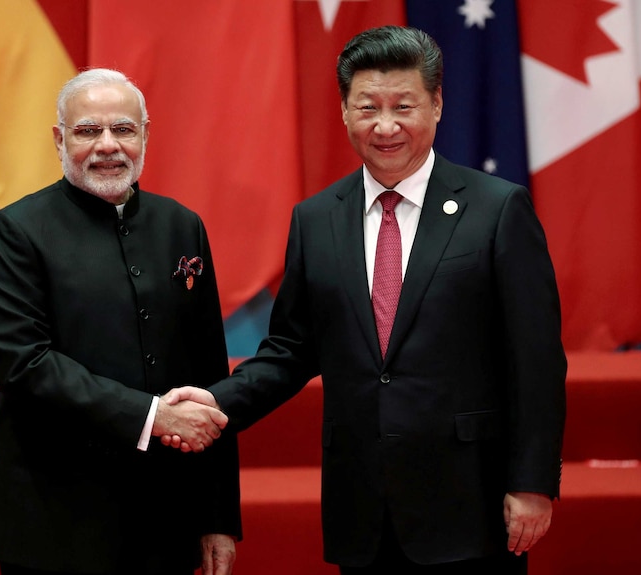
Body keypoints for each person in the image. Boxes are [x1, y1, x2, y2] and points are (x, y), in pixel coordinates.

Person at [164, 26, 566, 575]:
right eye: (367, 107)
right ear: (345, 112)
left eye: (404, 106)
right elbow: (290, 349)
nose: (385, 126)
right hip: (363, 506)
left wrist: (532, 482)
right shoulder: (316, 219)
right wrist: (216, 404)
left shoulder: (498, 210)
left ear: (438, 104)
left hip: (469, 501)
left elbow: (536, 360)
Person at [0, 68, 241, 575]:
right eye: (87, 131)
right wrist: (152, 416)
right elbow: (24, 363)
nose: (107, 146)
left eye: (122, 129)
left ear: (145, 134)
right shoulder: (15, 231)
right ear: (59, 139)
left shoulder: (181, 226)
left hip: (166, 522)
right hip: (55, 524)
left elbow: (210, 377)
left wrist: (218, 516)